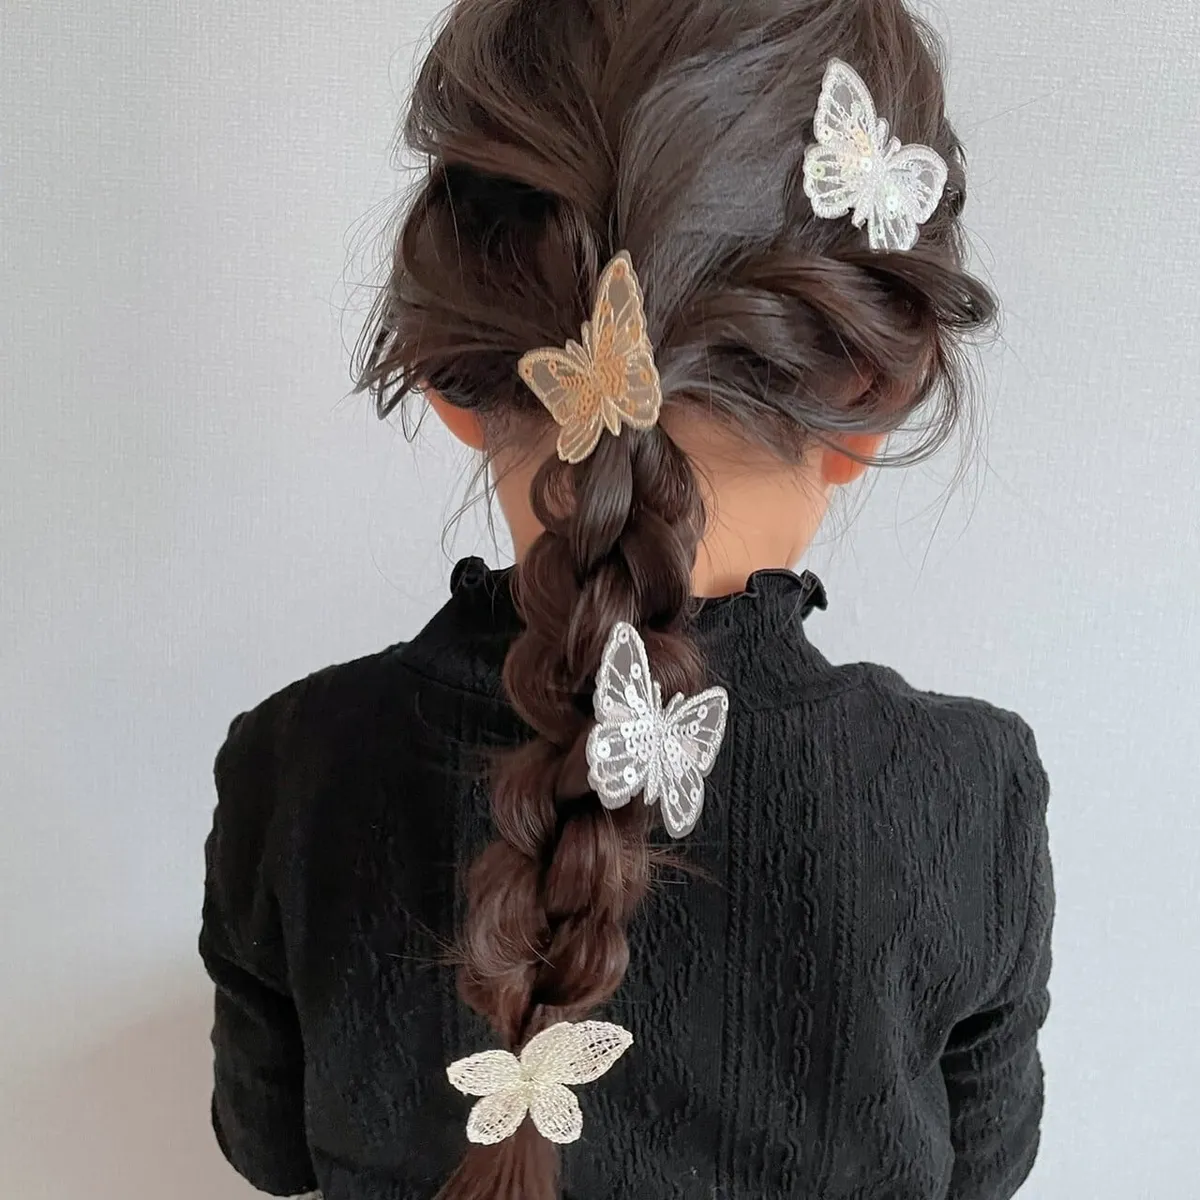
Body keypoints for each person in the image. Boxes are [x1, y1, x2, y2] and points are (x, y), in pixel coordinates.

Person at [199, 1, 1054, 1198]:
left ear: (452, 380)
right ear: (871, 391)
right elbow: (987, 1170)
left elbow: (267, 1150)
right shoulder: (967, 793)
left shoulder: (297, 765)